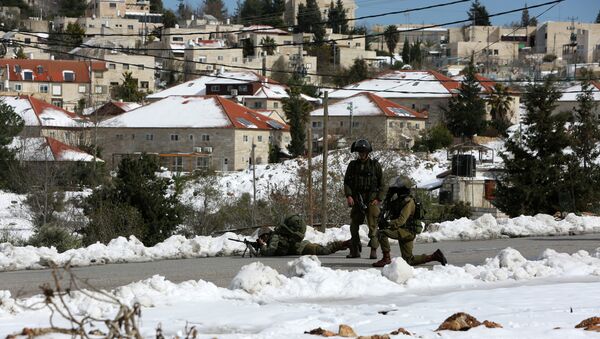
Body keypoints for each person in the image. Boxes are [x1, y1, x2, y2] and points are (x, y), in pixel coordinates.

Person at [372, 176, 447, 267]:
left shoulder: (408, 202)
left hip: (407, 231)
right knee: (409, 260)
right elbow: (390, 211)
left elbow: (401, 221)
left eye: (397, 186)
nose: (395, 188)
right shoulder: (399, 200)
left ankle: (386, 258)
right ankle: (435, 256)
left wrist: (387, 223)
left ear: (403, 188)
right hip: (404, 230)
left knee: (381, 233)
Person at [343, 139, 385, 259]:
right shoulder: (352, 165)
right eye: (360, 152)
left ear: (367, 153)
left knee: (373, 226)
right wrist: (349, 196)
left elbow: (382, 184)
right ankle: (355, 249)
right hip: (357, 199)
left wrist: (378, 199)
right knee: (354, 226)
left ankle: (373, 249)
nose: (361, 154)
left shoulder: (375, 165)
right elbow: (347, 182)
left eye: (364, 152)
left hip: (371, 200)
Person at [257, 215, 351, 256]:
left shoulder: (274, 237)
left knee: (324, 251)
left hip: (302, 248)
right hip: (302, 246)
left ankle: (347, 243)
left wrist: (261, 246)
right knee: (323, 248)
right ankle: (345, 244)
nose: (263, 240)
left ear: (265, 235)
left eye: (262, 238)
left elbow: (270, 252)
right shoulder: (275, 236)